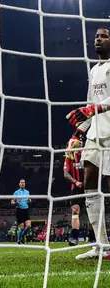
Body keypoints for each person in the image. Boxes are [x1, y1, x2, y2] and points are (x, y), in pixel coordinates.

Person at [66, 26, 110, 259]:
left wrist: (94, 108)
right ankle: (101, 245)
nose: (98, 40)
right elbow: (88, 106)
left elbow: (97, 106)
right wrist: (77, 133)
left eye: (104, 36)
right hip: (95, 135)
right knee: (89, 182)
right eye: (96, 36)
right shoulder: (94, 70)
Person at [63, 137, 85, 246]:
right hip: (76, 188)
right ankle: (74, 238)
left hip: (90, 187)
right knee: (75, 211)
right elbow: (66, 173)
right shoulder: (70, 157)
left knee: (93, 213)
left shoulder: (87, 153)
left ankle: (93, 238)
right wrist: (76, 182)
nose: (80, 142)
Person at [11, 179, 31, 244]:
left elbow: (29, 200)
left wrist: (29, 201)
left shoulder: (27, 192)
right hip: (19, 210)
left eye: (24, 182)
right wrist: (15, 203)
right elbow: (12, 201)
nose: (22, 184)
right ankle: (18, 241)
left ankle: (22, 236)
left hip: (26, 210)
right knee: (22, 227)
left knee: (28, 226)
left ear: (25, 184)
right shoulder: (16, 192)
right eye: (21, 182)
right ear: (19, 184)